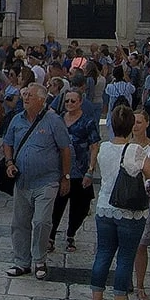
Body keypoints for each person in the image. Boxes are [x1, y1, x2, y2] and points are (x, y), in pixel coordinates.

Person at [87, 105, 150, 300]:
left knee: (103, 254)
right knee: (125, 257)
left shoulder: (104, 148)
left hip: (105, 207)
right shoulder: (135, 150)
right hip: (129, 210)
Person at [1, 83, 70, 278]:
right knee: (20, 222)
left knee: (41, 221)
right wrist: (9, 162)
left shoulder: (53, 121)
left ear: (42, 100)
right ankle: (22, 261)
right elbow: (8, 142)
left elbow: (65, 149)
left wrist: (65, 177)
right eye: (25, 95)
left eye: (30, 95)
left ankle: (39, 259)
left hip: (47, 181)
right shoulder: (17, 120)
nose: (26, 98)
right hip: (22, 181)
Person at [53, 86, 99, 254]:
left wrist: (90, 170)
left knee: (80, 207)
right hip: (59, 170)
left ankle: (71, 233)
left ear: (80, 102)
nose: (69, 104)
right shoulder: (58, 119)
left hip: (79, 170)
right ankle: (50, 236)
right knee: (56, 205)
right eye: (67, 101)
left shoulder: (87, 121)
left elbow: (94, 146)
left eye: (73, 101)